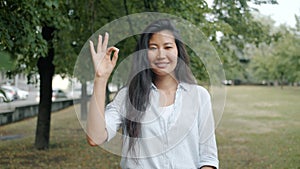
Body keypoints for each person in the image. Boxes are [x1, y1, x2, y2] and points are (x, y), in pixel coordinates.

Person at [86, 19, 219, 169]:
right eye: (153, 47)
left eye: (168, 47)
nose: (161, 55)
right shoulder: (128, 96)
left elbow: (208, 158)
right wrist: (100, 78)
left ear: (178, 51)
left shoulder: (199, 96)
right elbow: (95, 137)